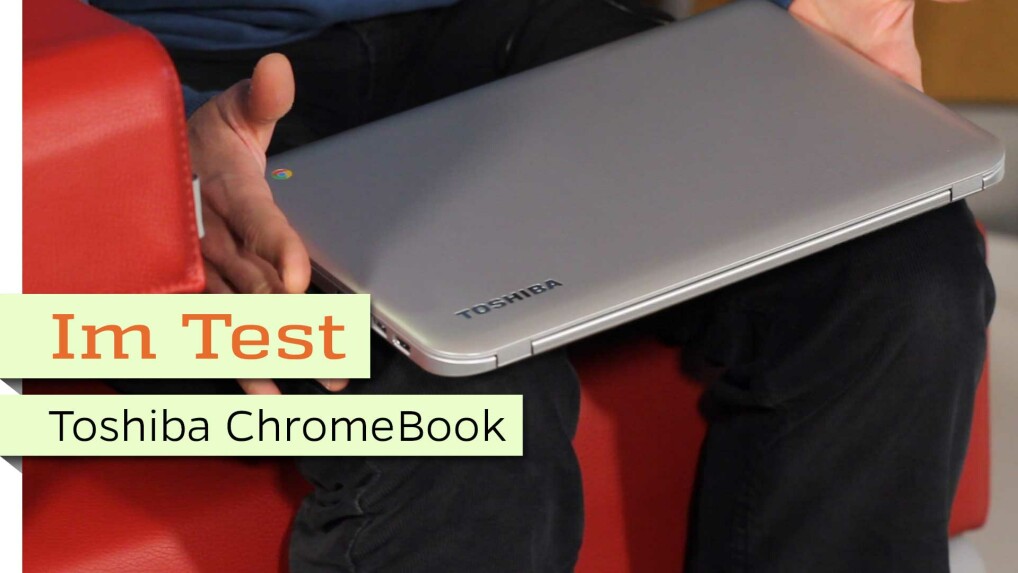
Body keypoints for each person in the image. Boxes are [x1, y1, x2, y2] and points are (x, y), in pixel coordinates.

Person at [95, 0, 995, 571]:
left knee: (903, 273)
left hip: (504, 29)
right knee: (474, 416)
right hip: (135, 73)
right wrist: (143, 150)